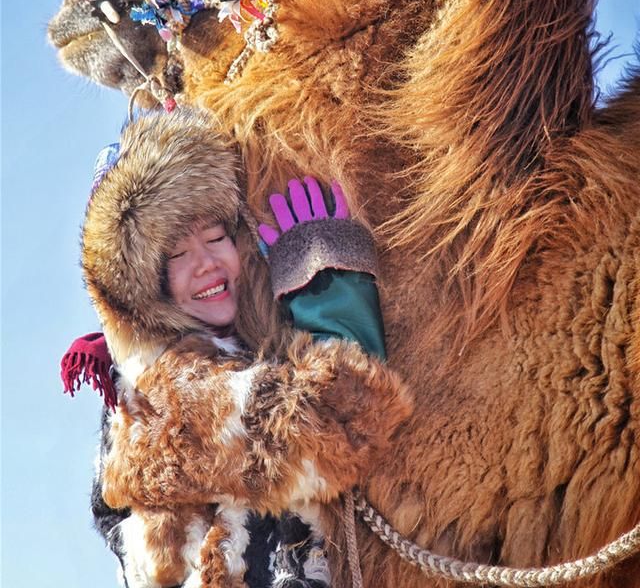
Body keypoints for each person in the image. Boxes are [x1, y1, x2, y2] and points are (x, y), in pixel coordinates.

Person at [62, 107, 411, 588]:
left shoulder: (254, 349)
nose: (204, 263)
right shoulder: (152, 395)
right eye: (178, 255)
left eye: (214, 236)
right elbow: (340, 423)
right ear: (145, 288)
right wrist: (328, 288)